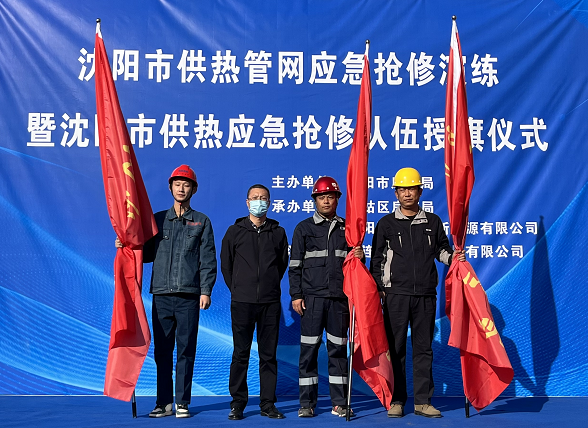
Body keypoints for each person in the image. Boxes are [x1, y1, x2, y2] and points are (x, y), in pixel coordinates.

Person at [116, 164, 217, 418]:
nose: (181, 188)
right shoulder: (157, 220)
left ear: (194, 189)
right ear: (170, 187)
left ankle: (182, 402)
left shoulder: (202, 221)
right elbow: (146, 253)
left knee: (186, 350)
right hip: (161, 295)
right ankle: (163, 402)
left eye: (186, 184)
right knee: (162, 352)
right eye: (177, 184)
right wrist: (125, 244)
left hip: (188, 296)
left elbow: (207, 259)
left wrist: (205, 290)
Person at [370, 167, 465, 419]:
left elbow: (441, 251)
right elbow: (377, 260)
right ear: (396, 193)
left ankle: (423, 401)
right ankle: (396, 400)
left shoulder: (432, 222)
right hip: (396, 296)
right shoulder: (386, 224)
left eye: (411, 188)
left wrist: (454, 258)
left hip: (425, 295)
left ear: (420, 191)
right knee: (396, 349)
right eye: (402, 189)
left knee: (423, 349)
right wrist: (380, 288)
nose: (407, 194)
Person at [288, 176, 363, 418]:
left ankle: (340, 403)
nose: (326, 201)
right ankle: (306, 403)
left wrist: (359, 255)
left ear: (338, 199)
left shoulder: (348, 229)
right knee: (308, 351)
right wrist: (296, 295)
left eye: (330, 196)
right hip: (312, 300)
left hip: (339, 300)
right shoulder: (304, 228)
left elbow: (355, 268)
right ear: (315, 200)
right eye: (322, 197)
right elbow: (295, 266)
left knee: (338, 352)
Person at [220, 184, 289, 420]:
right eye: (255, 198)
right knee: (241, 353)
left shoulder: (278, 232)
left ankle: (267, 403)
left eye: (263, 198)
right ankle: (238, 403)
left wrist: (269, 286)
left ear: (269, 203)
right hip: (242, 302)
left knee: (268, 355)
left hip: (270, 302)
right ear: (247, 202)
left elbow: (281, 264)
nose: (259, 201)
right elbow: (226, 265)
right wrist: (239, 288)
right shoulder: (234, 231)